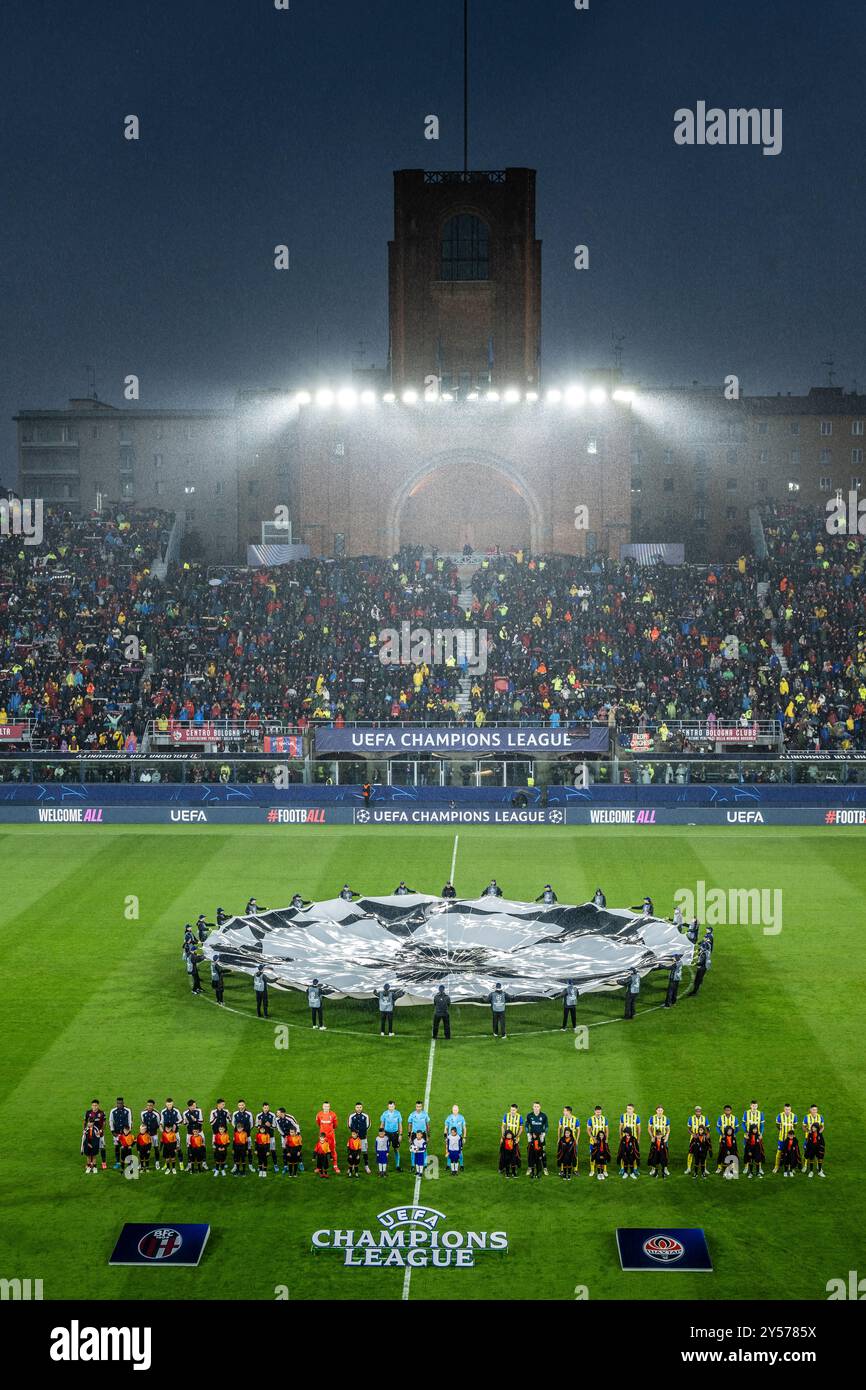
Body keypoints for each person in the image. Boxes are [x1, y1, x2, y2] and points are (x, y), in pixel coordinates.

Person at [315, 1101, 340, 1173]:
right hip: (322, 1137)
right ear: (322, 1107)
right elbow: (318, 1124)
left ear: (329, 1107)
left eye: (327, 1106)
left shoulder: (333, 1115)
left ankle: (335, 1166)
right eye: (325, 1106)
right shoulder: (319, 1114)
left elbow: (335, 1125)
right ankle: (319, 1167)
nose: (326, 1108)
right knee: (320, 1150)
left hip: (331, 1136)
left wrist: (330, 1131)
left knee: (332, 1150)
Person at [773, 1104, 798, 1174]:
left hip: (790, 1139)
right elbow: (777, 1125)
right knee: (779, 1152)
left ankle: (791, 1167)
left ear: (791, 1109)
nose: (787, 1111)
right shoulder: (779, 1116)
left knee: (791, 1154)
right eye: (786, 1109)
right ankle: (776, 1166)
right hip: (782, 1138)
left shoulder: (794, 1116)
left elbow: (795, 1126)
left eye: (789, 1109)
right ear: (784, 1109)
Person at [526, 1102, 549, 1176]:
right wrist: (528, 1134)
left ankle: (545, 1168)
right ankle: (530, 1168)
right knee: (531, 1153)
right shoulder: (529, 1115)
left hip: (541, 1137)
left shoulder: (544, 1116)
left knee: (543, 1153)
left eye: (537, 1106)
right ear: (532, 1107)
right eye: (535, 1106)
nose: (536, 1108)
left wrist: (544, 1134)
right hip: (532, 1137)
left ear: (540, 1107)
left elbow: (546, 1126)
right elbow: (526, 1125)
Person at [82, 1100, 107, 1170]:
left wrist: (101, 1130)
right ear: (91, 1105)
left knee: (102, 1148)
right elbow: (85, 1121)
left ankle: (103, 1162)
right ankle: (89, 1164)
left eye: (95, 1105)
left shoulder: (102, 1113)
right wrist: (84, 1129)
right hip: (90, 1135)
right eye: (93, 1105)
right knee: (90, 1148)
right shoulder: (88, 1112)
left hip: (100, 1134)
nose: (94, 1107)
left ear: (98, 1106)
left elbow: (104, 1123)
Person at [348, 1103, 372, 1174]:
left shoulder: (366, 1116)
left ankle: (366, 1166)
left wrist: (362, 1132)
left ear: (362, 1108)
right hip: (354, 1139)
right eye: (357, 1107)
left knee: (364, 1151)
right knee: (353, 1152)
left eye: (360, 1107)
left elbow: (368, 1125)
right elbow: (349, 1125)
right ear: (355, 1108)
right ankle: (352, 1166)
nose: (359, 1108)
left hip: (363, 1137)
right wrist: (354, 1134)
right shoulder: (351, 1116)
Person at [109, 1097, 132, 1169]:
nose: (119, 1104)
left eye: (121, 1103)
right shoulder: (113, 1111)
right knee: (117, 1147)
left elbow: (130, 1121)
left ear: (123, 1103)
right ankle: (118, 1162)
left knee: (127, 1148)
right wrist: (113, 1131)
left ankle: (128, 1162)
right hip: (116, 1133)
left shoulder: (128, 1110)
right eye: (118, 1103)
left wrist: (128, 1131)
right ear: (116, 1103)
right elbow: (111, 1121)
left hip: (125, 1133)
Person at [647, 1107, 670, 1177]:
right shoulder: (652, 1118)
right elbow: (649, 1128)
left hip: (663, 1140)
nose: (660, 1112)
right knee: (653, 1154)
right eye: (658, 1110)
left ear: (663, 1111)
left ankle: (665, 1169)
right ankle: (653, 1169)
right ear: (656, 1111)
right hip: (655, 1139)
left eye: (661, 1110)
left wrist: (667, 1136)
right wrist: (652, 1137)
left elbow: (668, 1129)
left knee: (665, 1155)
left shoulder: (666, 1118)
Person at [380, 1101, 403, 1168]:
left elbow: (400, 1124)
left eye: (392, 1106)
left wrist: (400, 1134)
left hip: (395, 1134)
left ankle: (397, 1165)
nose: (391, 1108)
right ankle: (384, 1165)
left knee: (396, 1149)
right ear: (388, 1106)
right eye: (390, 1106)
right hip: (386, 1134)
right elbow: (382, 1124)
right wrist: (381, 1134)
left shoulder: (398, 1113)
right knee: (385, 1149)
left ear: (394, 1106)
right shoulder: (384, 1113)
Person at [685, 1105, 707, 1174]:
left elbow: (708, 1128)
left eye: (699, 1111)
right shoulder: (691, 1118)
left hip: (702, 1138)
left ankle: (704, 1168)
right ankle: (688, 1168)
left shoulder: (704, 1118)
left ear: (701, 1111)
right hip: (694, 1139)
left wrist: (706, 1135)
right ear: (695, 1111)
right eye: (697, 1111)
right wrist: (692, 1134)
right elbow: (688, 1129)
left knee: (703, 1153)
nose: (698, 1112)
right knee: (691, 1153)